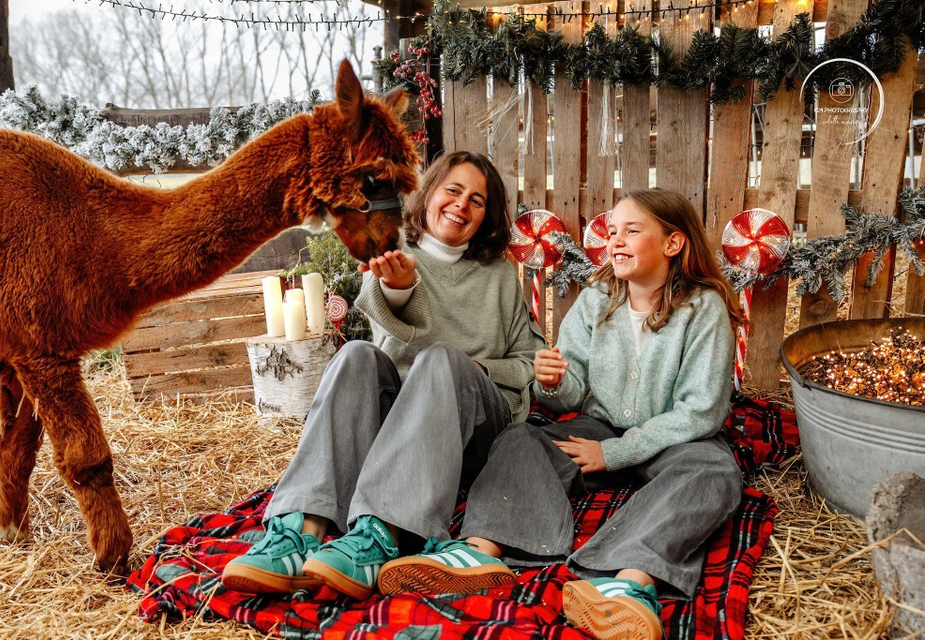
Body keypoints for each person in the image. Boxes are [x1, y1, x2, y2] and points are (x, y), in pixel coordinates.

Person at [376, 188, 745, 640]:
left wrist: (617, 452)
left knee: (716, 470)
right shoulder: (596, 300)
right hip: (597, 425)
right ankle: (479, 551)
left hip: (674, 437)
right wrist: (551, 382)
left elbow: (701, 410)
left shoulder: (702, 307)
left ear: (673, 243)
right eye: (612, 232)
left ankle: (626, 582)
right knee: (519, 440)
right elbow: (570, 396)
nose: (616, 241)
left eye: (632, 230)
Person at [221, 151, 545, 599]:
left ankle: (382, 533)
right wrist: (399, 287)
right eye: (453, 190)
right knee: (356, 354)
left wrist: (479, 368)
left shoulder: (499, 275)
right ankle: (300, 531)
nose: (462, 205)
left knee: (440, 359)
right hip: (400, 432)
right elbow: (387, 319)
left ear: (486, 216)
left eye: (477, 200)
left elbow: (531, 359)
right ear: (429, 193)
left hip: (474, 430)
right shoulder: (395, 251)